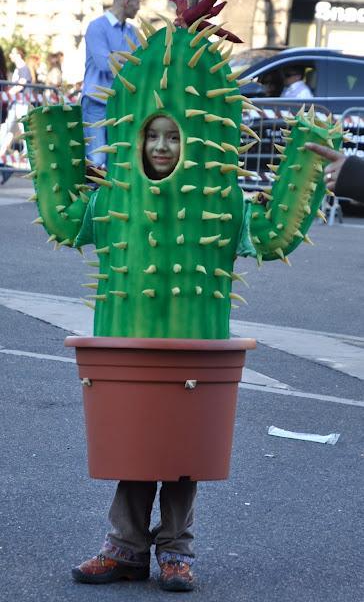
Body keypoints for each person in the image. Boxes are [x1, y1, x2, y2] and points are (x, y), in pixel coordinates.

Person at [72, 115, 196, 592]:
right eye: (152, 134)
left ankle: (176, 552)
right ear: (136, 137)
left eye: (175, 136)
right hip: (129, 337)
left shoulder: (221, 201)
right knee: (136, 442)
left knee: (184, 451)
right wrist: (52, 150)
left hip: (193, 342)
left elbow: (271, 234)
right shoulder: (112, 198)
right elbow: (67, 221)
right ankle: (125, 547)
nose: (161, 146)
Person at [81, 0, 141, 170]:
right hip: (96, 102)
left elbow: (141, 63)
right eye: (137, 3)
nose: (139, 8)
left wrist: (116, 56)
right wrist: (128, 60)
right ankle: (92, 199)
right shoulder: (96, 27)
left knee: (120, 163)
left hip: (122, 105)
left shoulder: (133, 31)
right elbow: (105, 64)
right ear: (126, 2)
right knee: (96, 162)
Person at [0, 46, 32, 162]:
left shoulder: (24, 68)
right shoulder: (18, 69)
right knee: (9, 130)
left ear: (19, 55)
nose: (10, 56)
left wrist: (8, 93)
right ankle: (1, 155)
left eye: (12, 53)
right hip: (15, 104)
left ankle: (29, 158)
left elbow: (21, 84)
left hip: (21, 104)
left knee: (24, 131)